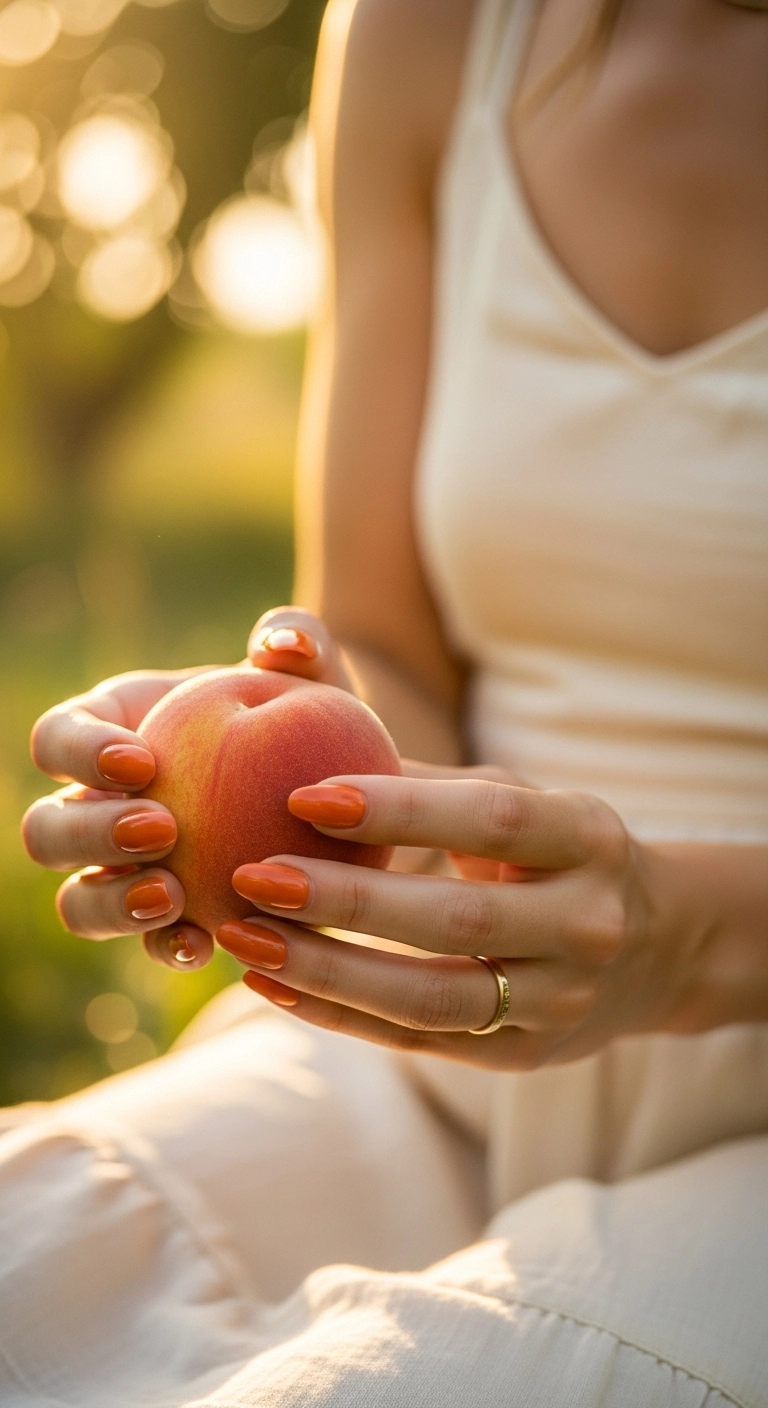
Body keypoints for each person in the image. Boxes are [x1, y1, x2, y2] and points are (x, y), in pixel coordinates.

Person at [4, 0, 768, 1402]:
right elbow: (380, 633)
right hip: (454, 1033)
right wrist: (364, 800)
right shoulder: (435, 31)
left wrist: (680, 936)